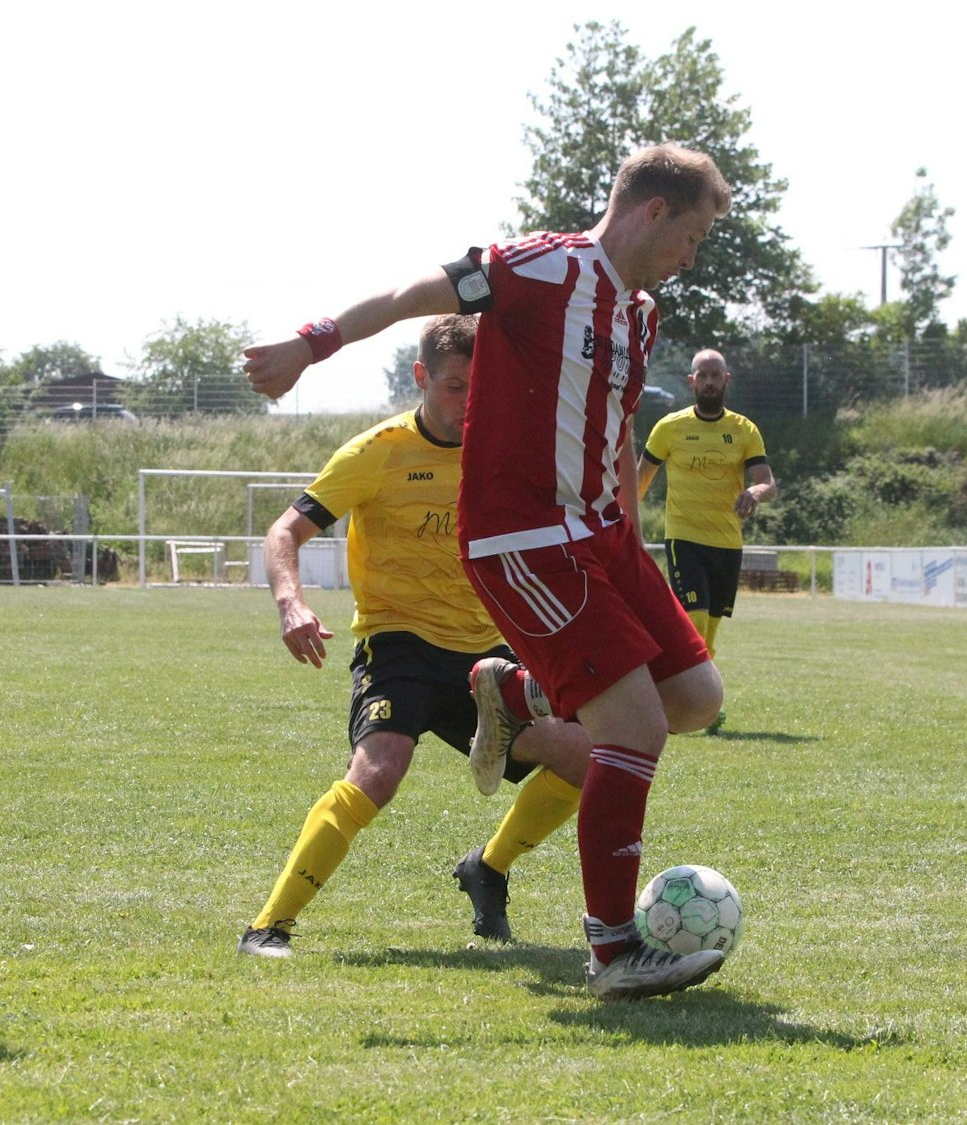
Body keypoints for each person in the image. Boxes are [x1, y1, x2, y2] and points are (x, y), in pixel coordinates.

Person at [243, 142, 730, 1000]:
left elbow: (614, 431)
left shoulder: (640, 314)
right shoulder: (540, 267)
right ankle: (615, 951)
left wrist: (633, 535)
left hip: (602, 534)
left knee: (697, 699)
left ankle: (515, 695)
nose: (692, 257)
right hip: (528, 534)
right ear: (654, 210)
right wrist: (310, 344)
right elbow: (410, 297)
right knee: (634, 730)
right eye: (691, 236)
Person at [239, 314, 593, 958]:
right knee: (379, 771)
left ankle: (487, 868)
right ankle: (269, 925)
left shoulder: (508, 449)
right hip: (397, 644)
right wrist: (291, 603)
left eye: (482, 386)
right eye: (456, 386)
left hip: (487, 656)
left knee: (582, 757)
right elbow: (284, 532)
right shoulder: (376, 453)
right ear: (421, 377)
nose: (470, 402)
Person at [636, 347, 775, 732]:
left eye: (717, 375)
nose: (710, 382)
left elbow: (766, 480)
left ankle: (702, 705)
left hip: (727, 543)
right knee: (693, 621)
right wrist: (623, 523)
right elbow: (639, 480)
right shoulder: (669, 427)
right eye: (704, 375)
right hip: (684, 539)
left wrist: (755, 493)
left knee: (709, 632)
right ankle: (671, 700)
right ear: (691, 382)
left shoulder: (744, 430)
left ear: (726, 380)